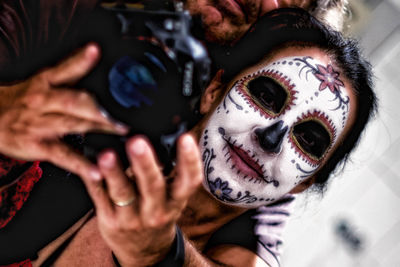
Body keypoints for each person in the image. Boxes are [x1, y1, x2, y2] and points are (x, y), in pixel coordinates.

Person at [0, 1, 350, 266]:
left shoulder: (247, 154)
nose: (271, 136)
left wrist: (166, 252)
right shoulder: (63, 10)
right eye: (267, 97)